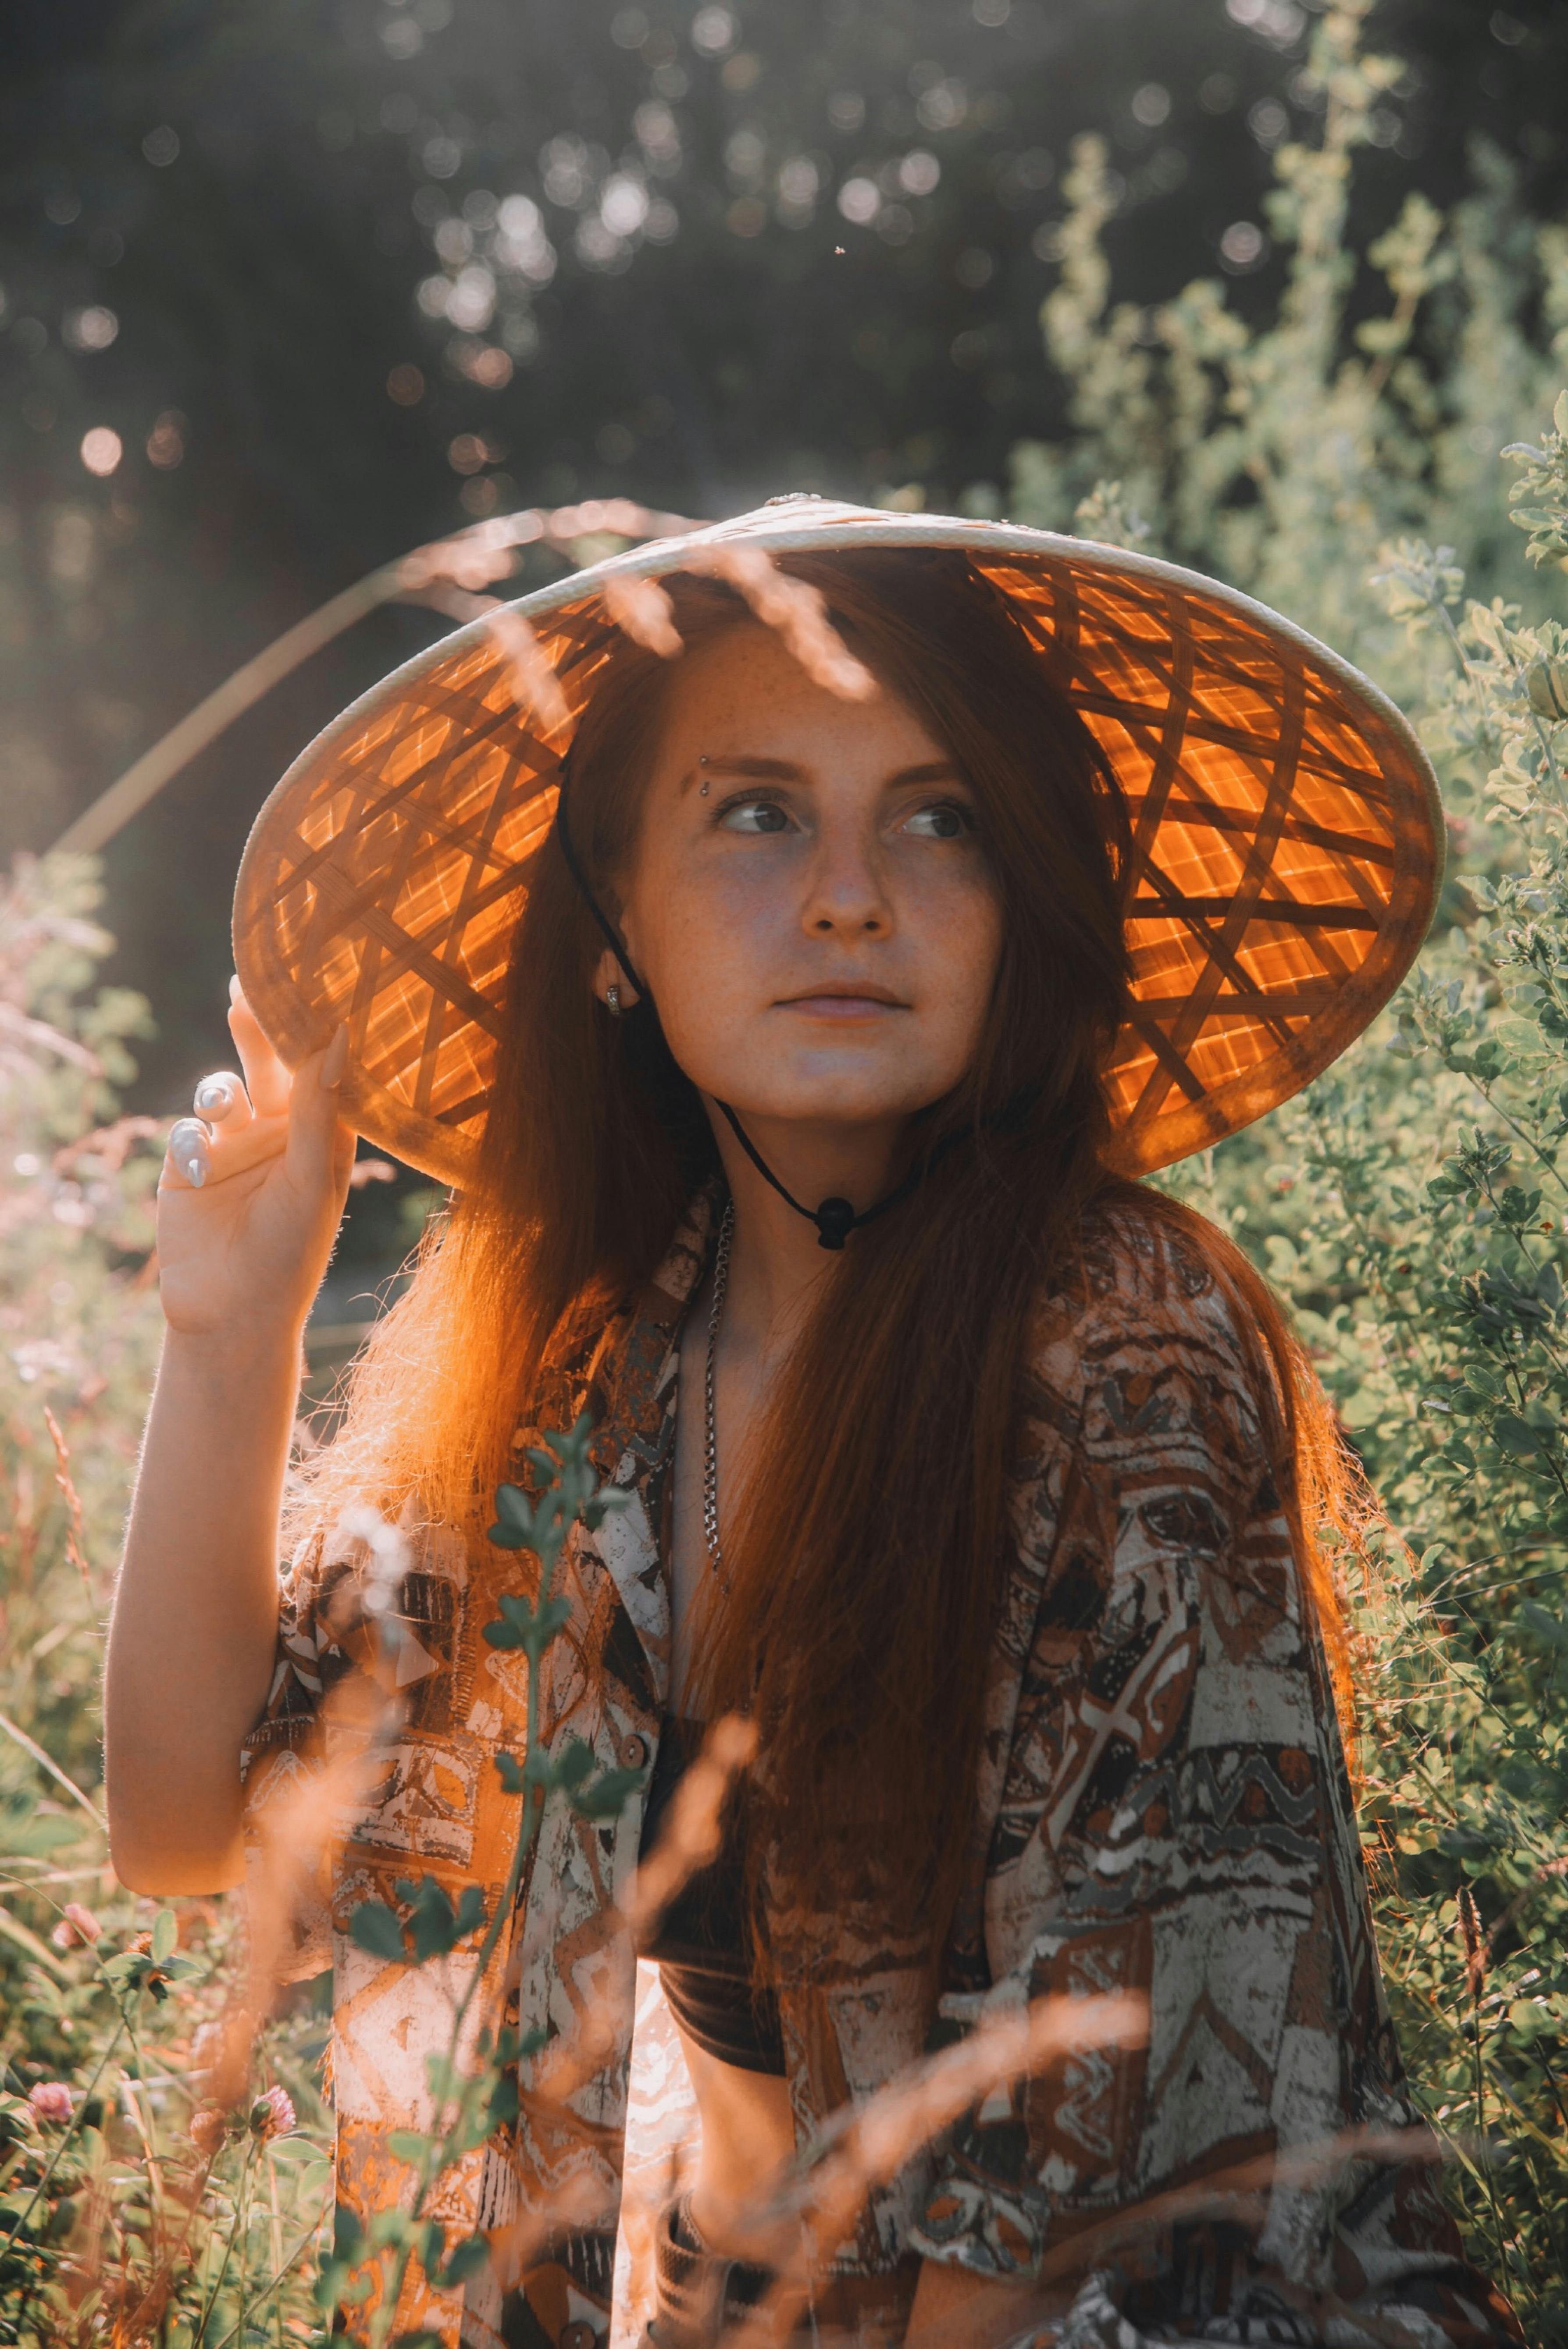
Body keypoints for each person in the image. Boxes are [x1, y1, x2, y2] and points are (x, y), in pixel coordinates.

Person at [105, 504, 1518, 2349]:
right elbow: (187, 1821)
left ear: (1023, 910)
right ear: (614, 918)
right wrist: (231, 1334)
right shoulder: (593, 1363)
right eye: (758, 812)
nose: (852, 892)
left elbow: (1061, 2195)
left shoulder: (1119, 1351)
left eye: (942, 819)